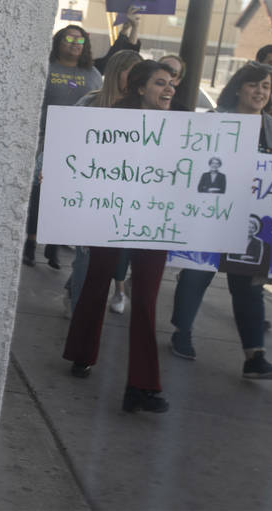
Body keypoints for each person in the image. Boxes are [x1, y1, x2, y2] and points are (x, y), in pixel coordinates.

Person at [63, 60, 178, 414]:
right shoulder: (109, 121)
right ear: (140, 88)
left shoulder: (183, 126)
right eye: (160, 83)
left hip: (155, 221)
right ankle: (82, 354)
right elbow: (82, 159)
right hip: (109, 214)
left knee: (145, 300)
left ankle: (141, 386)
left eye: (171, 83)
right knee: (98, 281)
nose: (169, 89)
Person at [169, 61, 272, 379]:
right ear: (239, 87)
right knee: (196, 276)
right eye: (254, 85)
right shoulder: (215, 121)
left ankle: (255, 357)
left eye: (266, 86)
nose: (260, 91)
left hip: (252, 224)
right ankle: (181, 334)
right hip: (210, 217)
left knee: (250, 287)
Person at [65, 49, 143, 316]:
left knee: (105, 264)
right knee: (86, 262)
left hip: (128, 201)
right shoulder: (90, 103)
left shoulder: (148, 110)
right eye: (131, 72)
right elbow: (64, 142)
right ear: (115, 73)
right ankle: (79, 320)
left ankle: (76, 296)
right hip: (92, 197)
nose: (136, 78)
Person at [24, 25, 102, 269]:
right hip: (44, 139)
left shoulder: (93, 74)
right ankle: (31, 241)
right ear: (58, 40)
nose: (73, 43)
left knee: (63, 193)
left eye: (80, 40)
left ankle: (53, 246)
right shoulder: (45, 67)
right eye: (68, 38)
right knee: (39, 190)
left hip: (77, 143)